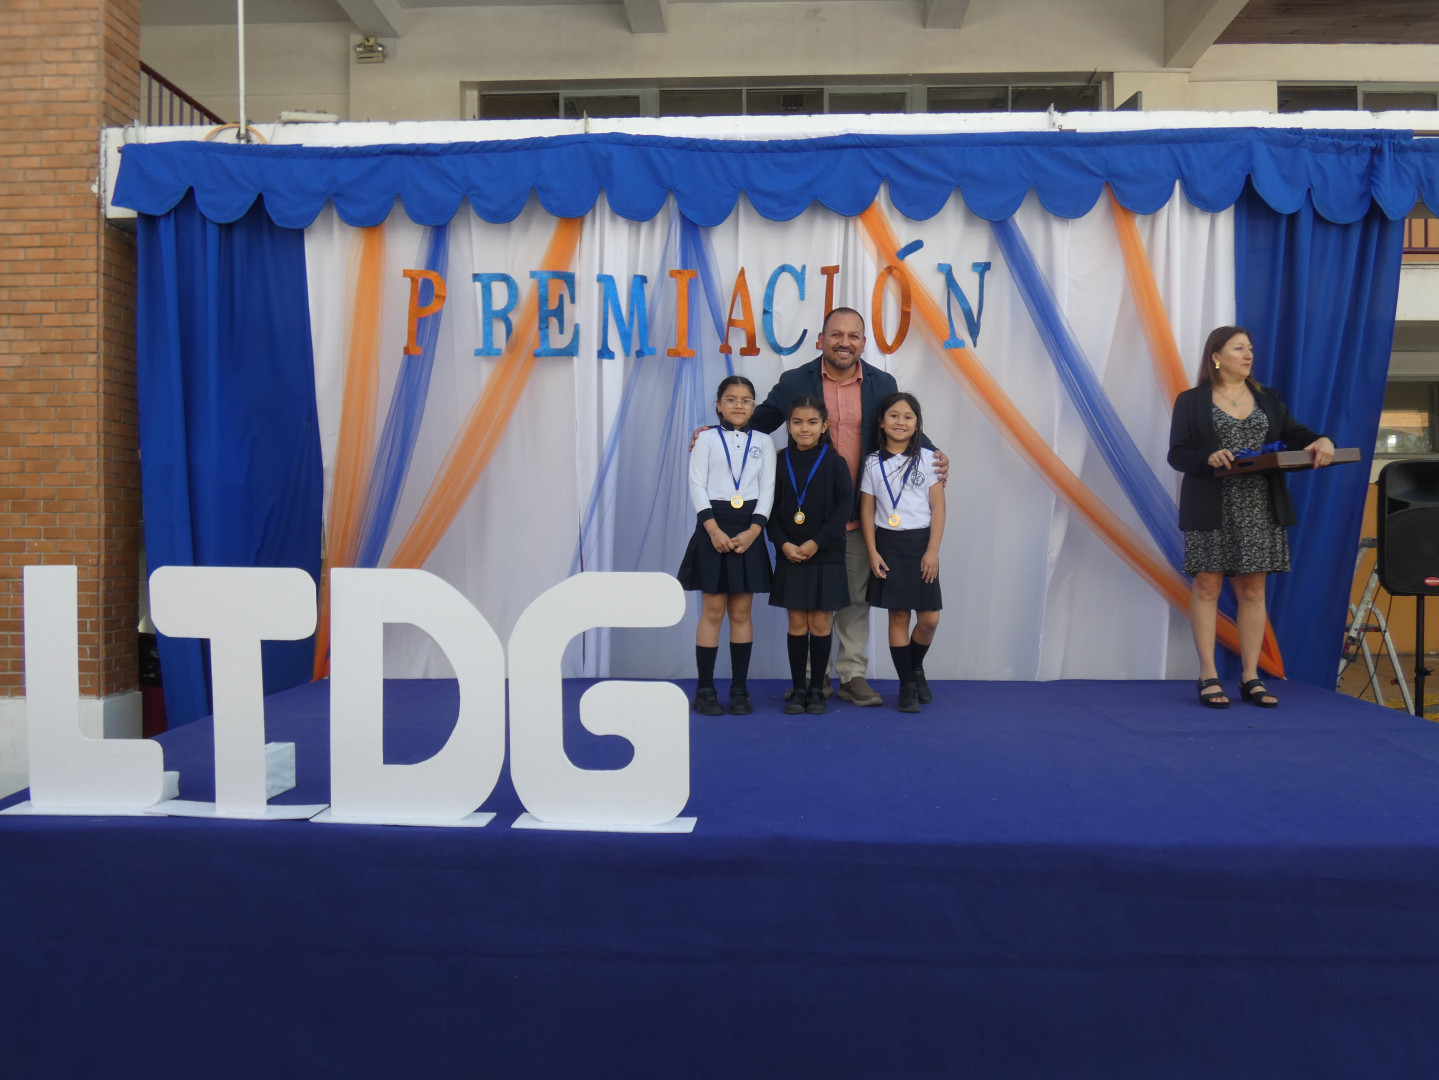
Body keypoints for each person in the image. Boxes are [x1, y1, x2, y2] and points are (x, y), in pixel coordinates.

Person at [736, 307, 948, 707]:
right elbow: (761, 421)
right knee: (810, 601)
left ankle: (852, 675)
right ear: (822, 339)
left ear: (863, 343)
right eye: (836, 335)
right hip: (807, 519)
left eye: (853, 336)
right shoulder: (795, 380)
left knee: (854, 599)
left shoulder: (882, 383)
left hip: (859, 514)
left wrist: (934, 453)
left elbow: (901, 423)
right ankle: (811, 679)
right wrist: (717, 433)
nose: (844, 342)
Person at [1167, 326, 1335, 709]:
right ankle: (1208, 675)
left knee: (1253, 591)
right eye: (1239, 348)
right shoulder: (1191, 401)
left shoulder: (1268, 399)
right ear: (1216, 357)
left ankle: (1250, 676)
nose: (1249, 355)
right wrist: (1207, 458)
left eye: (1250, 349)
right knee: (1207, 586)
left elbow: (1298, 435)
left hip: (1260, 504)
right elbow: (1177, 454)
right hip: (1210, 504)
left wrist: (1324, 440)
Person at [678, 375, 777, 716]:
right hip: (713, 527)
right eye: (731, 399)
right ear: (719, 405)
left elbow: (767, 489)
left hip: (748, 529)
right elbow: (696, 484)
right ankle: (705, 689)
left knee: (741, 612)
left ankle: (739, 689)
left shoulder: (764, 442)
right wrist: (712, 530)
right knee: (713, 610)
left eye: (746, 400)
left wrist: (754, 531)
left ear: (754, 406)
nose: (738, 405)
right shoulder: (705, 439)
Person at [766, 397, 854, 715]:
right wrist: (782, 544)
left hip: (825, 554)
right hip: (790, 554)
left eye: (812, 422)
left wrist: (817, 542)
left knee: (819, 622)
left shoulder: (835, 463)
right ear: (788, 426)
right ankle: (798, 688)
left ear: (824, 426)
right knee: (796, 622)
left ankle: (817, 689)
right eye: (798, 422)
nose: (805, 428)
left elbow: (844, 508)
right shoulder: (778, 460)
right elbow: (768, 508)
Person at [860, 392, 945, 714]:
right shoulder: (872, 462)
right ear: (882, 423)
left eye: (908, 416)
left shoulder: (929, 458)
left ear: (917, 423)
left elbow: (938, 508)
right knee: (898, 616)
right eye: (893, 416)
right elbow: (867, 511)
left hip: (921, 545)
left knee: (929, 619)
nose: (900, 422)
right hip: (888, 545)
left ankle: (915, 667)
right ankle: (907, 684)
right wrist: (872, 552)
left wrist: (932, 550)